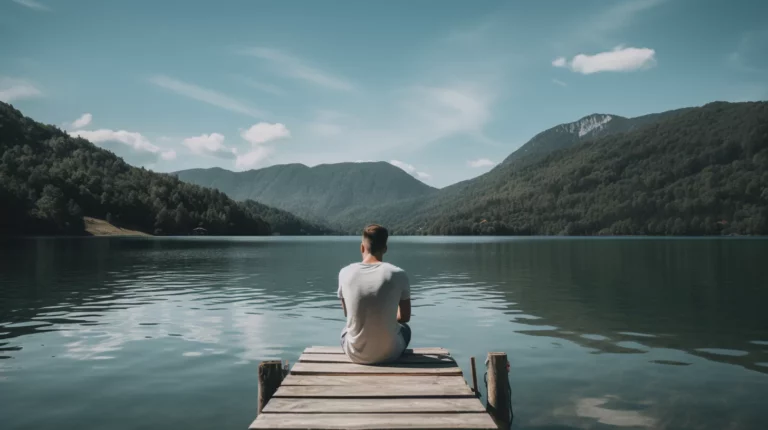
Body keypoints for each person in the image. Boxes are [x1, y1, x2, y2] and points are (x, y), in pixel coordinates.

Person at [338, 224, 411, 364]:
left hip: (354, 354)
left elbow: (348, 313)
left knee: (346, 328)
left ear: (362, 247)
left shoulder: (345, 273)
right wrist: (388, 315)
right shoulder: (398, 274)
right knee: (405, 329)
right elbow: (405, 317)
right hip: (390, 354)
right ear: (385, 249)